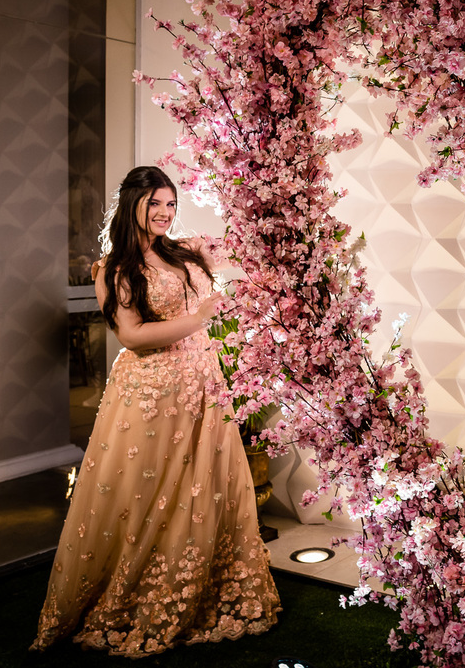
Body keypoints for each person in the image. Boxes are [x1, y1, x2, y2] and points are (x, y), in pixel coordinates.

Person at [32, 166, 280, 656]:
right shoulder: (115, 267)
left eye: (171, 204)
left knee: (206, 488)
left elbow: (246, 244)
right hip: (153, 391)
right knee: (150, 494)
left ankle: (207, 586)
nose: (165, 213)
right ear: (132, 207)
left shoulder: (184, 249)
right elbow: (132, 337)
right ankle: (139, 596)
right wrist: (201, 317)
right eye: (155, 205)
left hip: (203, 384)